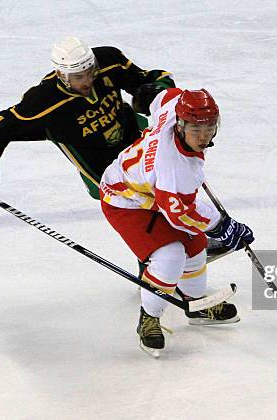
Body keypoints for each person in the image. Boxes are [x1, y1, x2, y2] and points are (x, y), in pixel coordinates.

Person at [99, 87, 255, 356]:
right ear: (181, 126)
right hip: (124, 199)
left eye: (209, 127)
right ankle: (149, 318)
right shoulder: (173, 168)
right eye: (196, 128)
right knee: (170, 255)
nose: (203, 135)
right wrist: (222, 226)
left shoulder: (175, 106)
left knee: (195, 247)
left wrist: (147, 95)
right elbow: (181, 214)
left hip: (149, 189)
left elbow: (165, 94)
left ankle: (196, 304)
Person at [0, 36, 175, 206]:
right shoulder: (43, 102)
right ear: (62, 75)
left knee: (171, 176)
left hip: (131, 134)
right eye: (78, 77)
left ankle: (193, 235)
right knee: (142, 206)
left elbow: (151, 79)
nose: (88, 81)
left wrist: (155, 91)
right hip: (100, 165)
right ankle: (160, 259)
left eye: (90, 73)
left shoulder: (109, 61)